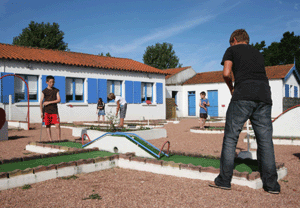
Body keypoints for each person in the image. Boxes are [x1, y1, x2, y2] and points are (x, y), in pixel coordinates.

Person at [209, 29, 280, 194]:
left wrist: (231, 88)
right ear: (247, 40)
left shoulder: (232, 50)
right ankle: (272, 186)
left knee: (231, 138)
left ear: (234, 39)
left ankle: (224, 181)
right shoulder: (258, 53)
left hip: (242, 96)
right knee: (265, 141)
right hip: (264, 96)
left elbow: (226, 73)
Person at [40, 75, 61, 141]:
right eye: (50, 82)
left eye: (53, 82)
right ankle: (50, 140)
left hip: (54, 111)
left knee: (57, 125)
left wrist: (49, 102)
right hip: (46, 111)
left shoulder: (56, 90)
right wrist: (41, 112)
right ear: (47, 82)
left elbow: (59, 100)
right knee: (48, 125)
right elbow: (41, 102)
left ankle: (58, 140)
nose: (52, 83)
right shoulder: (44, 91)